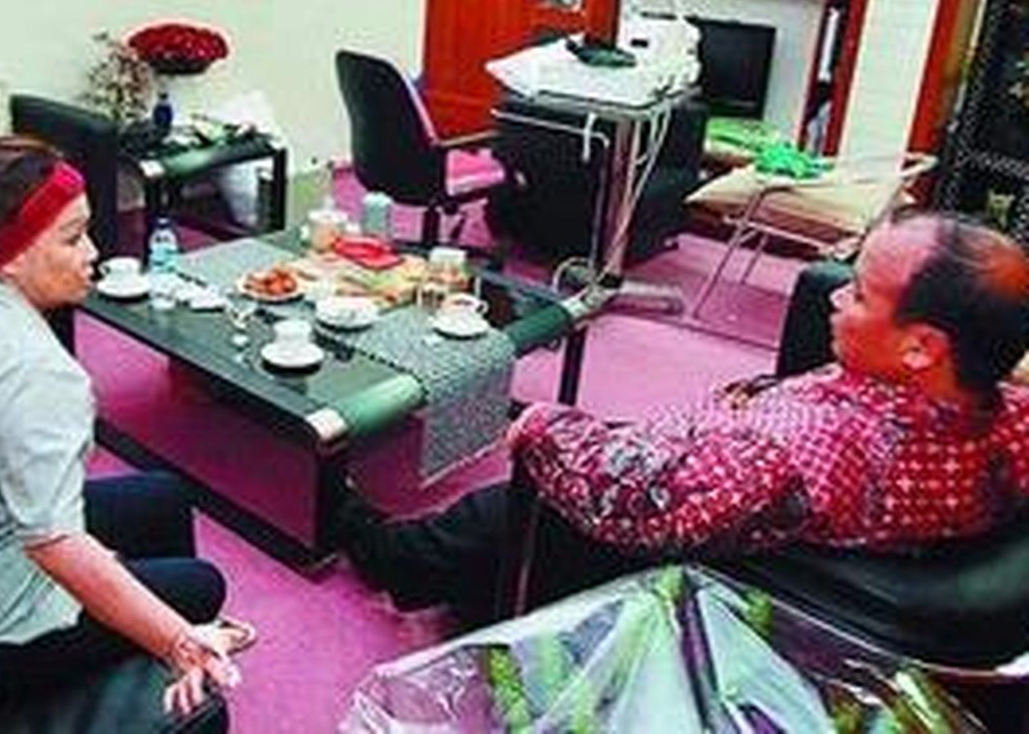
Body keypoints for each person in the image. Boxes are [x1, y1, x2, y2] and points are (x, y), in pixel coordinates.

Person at [337, 211, 1029, 626]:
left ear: (923, 345)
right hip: (725, 471)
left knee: (488, 510)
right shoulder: (1004, 413)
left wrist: (544, 426)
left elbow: (633, 497)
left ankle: (376, 546)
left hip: (657, 531)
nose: (837, 299)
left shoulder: (793, 455)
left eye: (861, 292)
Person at [0, 136, 254, 715]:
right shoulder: (35, 373)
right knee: (198, 588)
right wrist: (176, 637)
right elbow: (54, 545)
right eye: (72, 238)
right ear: (12, 254)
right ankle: (169, 679)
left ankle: (140, 675)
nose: (93, 251)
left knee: (163, 497)